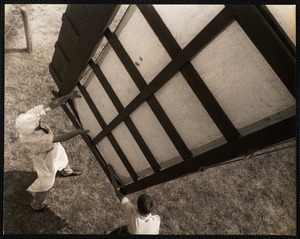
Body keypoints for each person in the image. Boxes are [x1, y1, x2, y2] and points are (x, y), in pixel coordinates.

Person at [15, 90, 89, 211]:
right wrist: (78, 132)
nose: (40, 122)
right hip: (45, 157)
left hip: (53, 148)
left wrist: (67, 96)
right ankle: (36, 204)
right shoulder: (33, 138)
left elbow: (50, 106)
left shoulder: (28, 118)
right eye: (37, 125)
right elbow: (61, 138)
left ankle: (66, 171)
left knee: (63, 158)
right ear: (32, 131)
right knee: (46, 184)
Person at [107, 165, 161, 234]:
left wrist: (111, 173)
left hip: (130, 233)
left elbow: (119, 194)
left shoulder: (133, 216)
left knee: (121, 231)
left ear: (137, 207)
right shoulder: (156, 221)